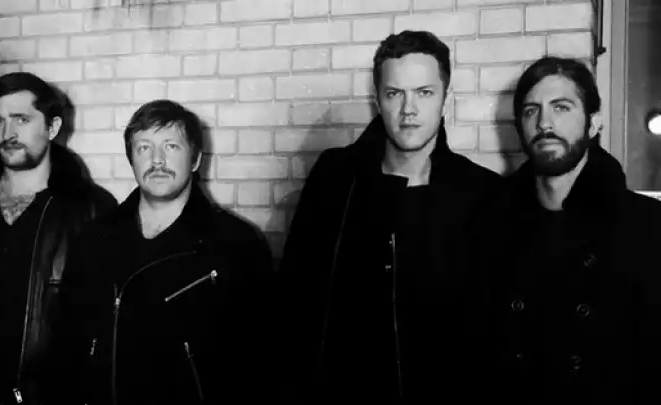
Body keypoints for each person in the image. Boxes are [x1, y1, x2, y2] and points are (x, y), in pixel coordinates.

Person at [278, 30, 502, 404]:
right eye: (395, 93)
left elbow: (493, 332)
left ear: (445, 99)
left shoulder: (482, 193)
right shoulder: (335, 177)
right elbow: (293, 299)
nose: (408, 109)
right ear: (377, 100)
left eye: (424, 93)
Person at [50, 99, 278, 405]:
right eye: (144, 148)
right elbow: (65, 348)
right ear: (131, 159)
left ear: (195, 159)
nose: (157, 160)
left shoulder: (236, 244)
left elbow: (262, 364)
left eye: (171, 146)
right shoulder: (93, 240)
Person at [476, 56, 661, 403]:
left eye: (561, 107)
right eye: (531, 110)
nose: (544, 122)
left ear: (594, 123)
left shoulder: (647, 227)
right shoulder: (489, 228)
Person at [0, 72, 117, 405]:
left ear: (53, 127)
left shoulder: (92, 210)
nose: (8, 133)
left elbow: (104, 325)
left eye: (21, 119)